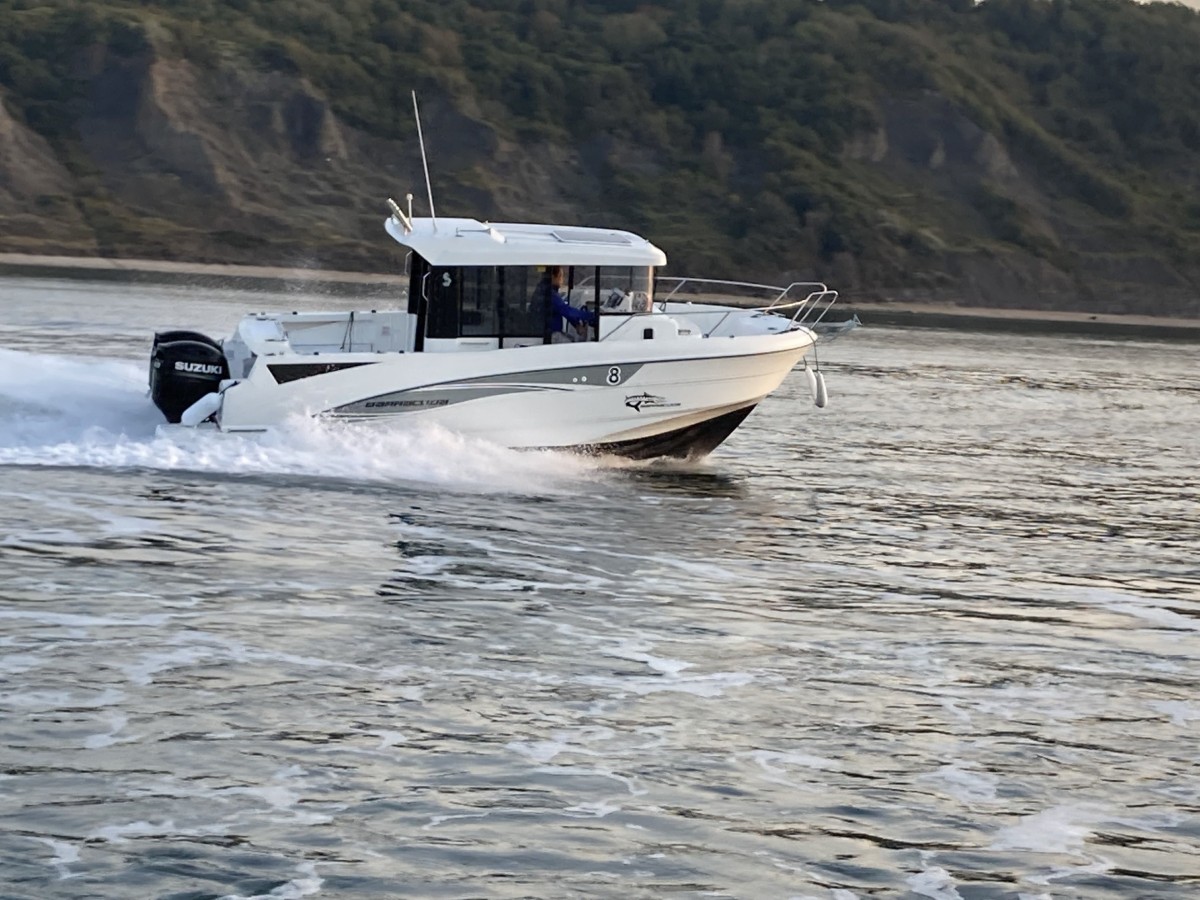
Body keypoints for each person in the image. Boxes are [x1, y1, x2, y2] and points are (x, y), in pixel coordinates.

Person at [535, 266, 596, 342]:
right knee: (575, 346)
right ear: (552, 276)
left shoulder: (544, 289)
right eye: (560, 276)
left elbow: (563, 310)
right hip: (550, 334)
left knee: (571, 339)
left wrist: (576, 324)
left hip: (549, 332)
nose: (562, 280)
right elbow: (566, 310)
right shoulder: (549, 293)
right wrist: (592, 316)